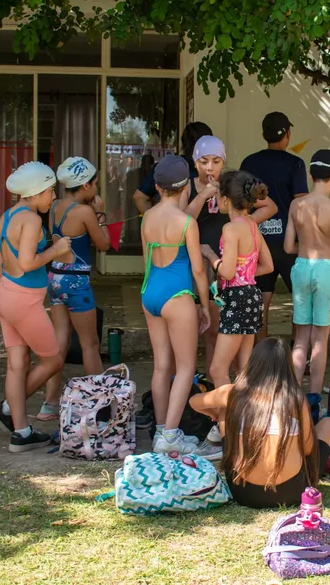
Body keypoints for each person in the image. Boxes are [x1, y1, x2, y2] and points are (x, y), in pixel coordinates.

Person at [189, 338, 330, 509]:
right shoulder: (295, 399)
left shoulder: (233, 392)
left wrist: (214, 414)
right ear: (287, 366)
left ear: (253, 363)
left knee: (225, 409)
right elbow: (307, 448)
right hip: (292, 492)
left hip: (243, 492)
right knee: (329, 423)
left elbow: (194, 402)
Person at [0, 162, 72, 453]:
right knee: (53, 361)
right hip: (24, 300)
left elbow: (1, 263)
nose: (53, 197)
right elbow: (26, 264)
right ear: (35, 193)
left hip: (6, 295)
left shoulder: (8, 215)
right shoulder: (32, 220)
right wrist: (56, 250)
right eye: (50, 191)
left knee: (17, 364)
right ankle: (9, 408)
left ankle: (21, 432)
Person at [186, 136, 277, 372]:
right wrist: (204, 196)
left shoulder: (232, 193)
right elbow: (183, 222)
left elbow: (270, 206)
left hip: (226, 278)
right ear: (195, 163)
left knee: (221, 351)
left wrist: (243, 223)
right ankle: (224, 388)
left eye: (216, 161)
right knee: (214, 338)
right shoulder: (191, 187)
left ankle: (219, 387)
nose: (210, 167)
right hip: (227, 280)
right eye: (204, 161)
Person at [140, 154, 212, 454]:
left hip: (150, 292)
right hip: (177, 294)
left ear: (157, 187)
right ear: (185, 188)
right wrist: (204, 304)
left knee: (161, 366)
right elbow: (198, 270)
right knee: (185, 367)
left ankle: (161, 429)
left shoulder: (147, 216)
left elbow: (146, 259)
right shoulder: (186, 223)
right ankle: (170, 436)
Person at [35, 157, 111, 422]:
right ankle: (100, 405)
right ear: (86, 184)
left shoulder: (55, 205)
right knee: (90, 344)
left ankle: (49, 405)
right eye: (95, 184)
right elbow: (104, 244)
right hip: (76, 281)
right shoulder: (85, 212)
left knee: (60, 342)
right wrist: (100, 214)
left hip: (55, 278)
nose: (97, 189)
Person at [284, 149, 330, 423]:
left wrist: (306, 247)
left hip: (301, 267)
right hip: (327, 270)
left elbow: (288, 246)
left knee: (300, 339)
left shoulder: (295, 206)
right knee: (320, 340)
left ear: (311, 176)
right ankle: (313, 403)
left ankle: (292, 402)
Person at [239, 112, 308, 340]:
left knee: (260, 301)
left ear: (263, 135)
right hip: (289, 242)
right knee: (300, 300)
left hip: (258, 240)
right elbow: (301, 203)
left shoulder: (249, 163)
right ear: (288, 134)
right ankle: (298, 351)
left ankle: (261, 352)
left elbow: (242, 200)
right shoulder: (295, 163)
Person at [133, 122, 210, 214]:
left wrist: (155, 219)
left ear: (183, 142)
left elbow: (139, 197)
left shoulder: (166, 166)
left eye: (216, 161)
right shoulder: (210, 171)